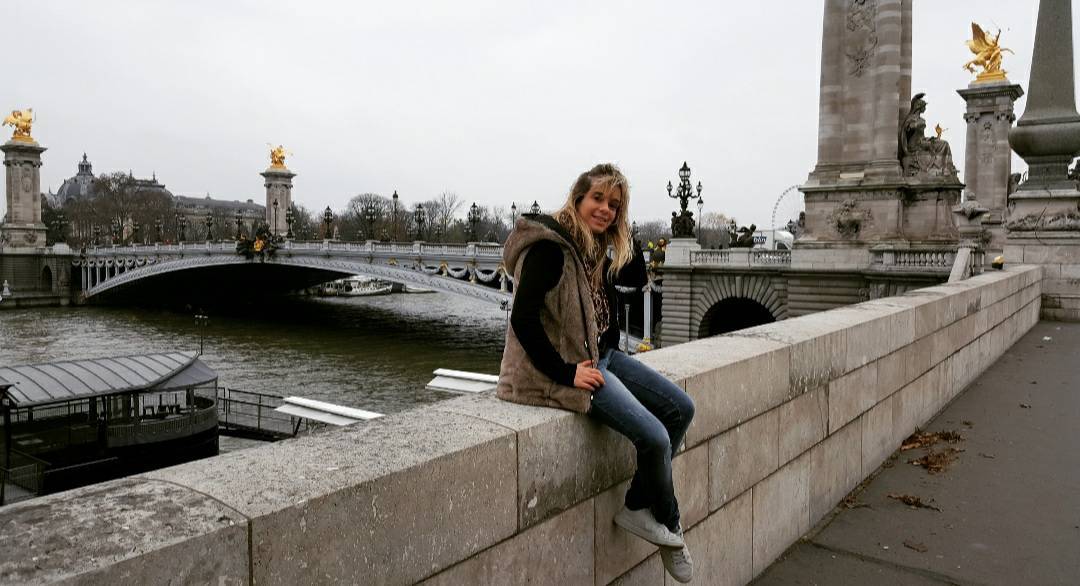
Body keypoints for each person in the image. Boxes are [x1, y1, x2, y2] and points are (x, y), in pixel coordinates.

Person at [497, 163, 696, 583]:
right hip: (580, 366)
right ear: (578, 197)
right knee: (656, 436)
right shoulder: (551, 249)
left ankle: (639, 506)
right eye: (598, 199)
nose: (605, 209)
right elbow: (523, 321)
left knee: (681, 408)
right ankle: (671, 528)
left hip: (605, 354)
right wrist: (567, 373)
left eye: (615, 205)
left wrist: (622, 235)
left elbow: (637, 278)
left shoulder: (593, 247)